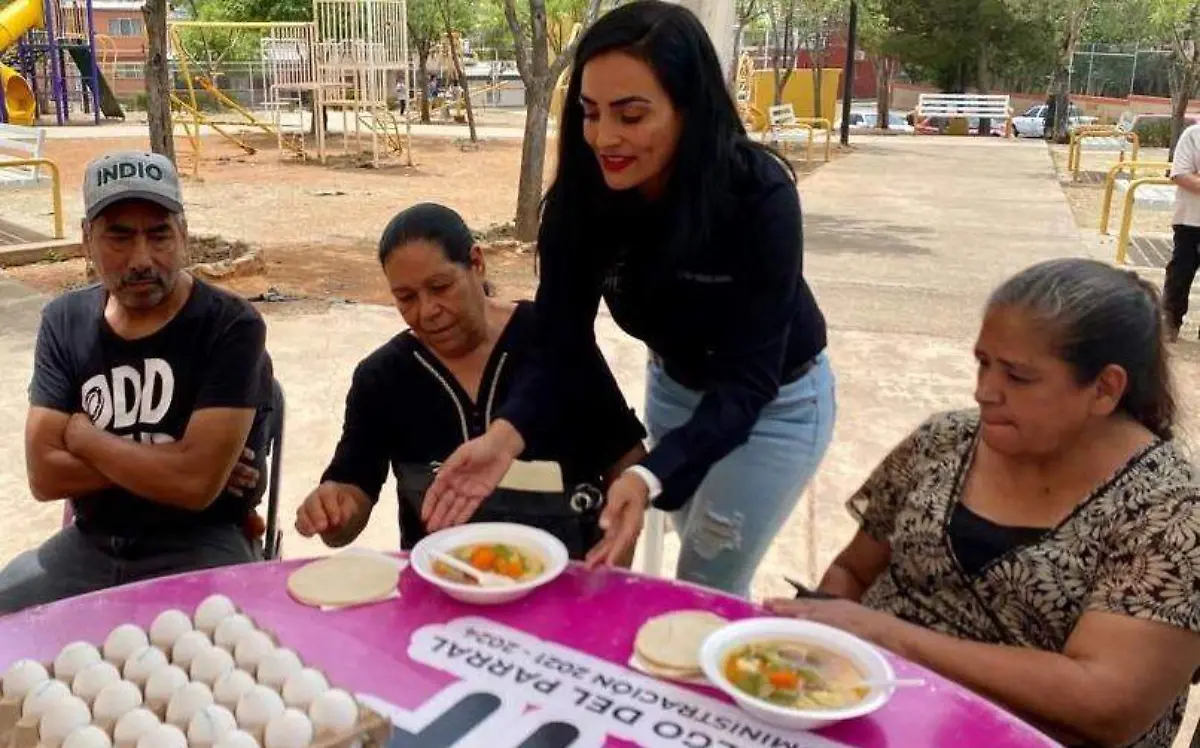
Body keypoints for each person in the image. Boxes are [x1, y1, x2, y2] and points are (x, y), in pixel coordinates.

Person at [423, 0, 835, 595]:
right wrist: (506, 436)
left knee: (706, 577)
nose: (605, 138)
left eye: (631, 115)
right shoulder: (581, 204)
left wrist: (646, 474)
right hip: (674, 389)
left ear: (689, 108)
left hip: (776, 400)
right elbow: (561, 344)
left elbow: (749, 379)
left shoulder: (757, 196)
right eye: (590, 114)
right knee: (690, 533)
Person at [768, 259, 1200, 748]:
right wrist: (819, 660)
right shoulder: (944, 441)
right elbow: (853, 571)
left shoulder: (1170, 511)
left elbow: (1106, 703)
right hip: (877, 719)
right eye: (983, 363)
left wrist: (894, 638)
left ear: (1104, 389)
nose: (984, 391)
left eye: (1017, 376)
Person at [0, 151, 273, 614]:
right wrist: (176, 458)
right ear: (88, 240)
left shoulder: (230, 325)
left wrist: (84, 438)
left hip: (200, 542)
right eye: (119, 237)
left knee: (233, 647)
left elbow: (193, 486)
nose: (141, 259)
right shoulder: (64, 321)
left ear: (183, 235)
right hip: (89, 543)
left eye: (159, 234)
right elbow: (44, 475)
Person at [294, 204, 646, 561]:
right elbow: (354, 494)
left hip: (564, 585)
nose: (428, 310)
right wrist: (334, 508)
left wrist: (612, 561)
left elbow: (625, 457)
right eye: (406, 298)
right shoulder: (382, 378)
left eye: (441, 287)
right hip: (440, 589)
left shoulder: (556, 342)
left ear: (476, 263)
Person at [1161, 122, 1200, 341]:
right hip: (1191, 221)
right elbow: (1181, 175)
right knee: (1180, 274)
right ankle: (1170, 323)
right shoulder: (1193, 136)